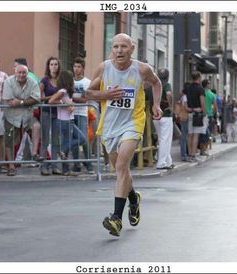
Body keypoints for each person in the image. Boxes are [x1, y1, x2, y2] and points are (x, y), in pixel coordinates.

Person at [85, 33, 163, 237]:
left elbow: (156, 83)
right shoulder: (104, 68)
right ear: (112, 49)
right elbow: (88, 93)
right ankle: (133, 199)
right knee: (121, 170)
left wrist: (155, 105)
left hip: (133, 122)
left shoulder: (142, 69)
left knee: (121, 166)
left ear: (132, 48)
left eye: (123, 47)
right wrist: (106, 95)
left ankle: (116, 219)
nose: (119, 51)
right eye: (116, 47)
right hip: (109, 126)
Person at [2, 64, 41, 176]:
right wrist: (27, 101)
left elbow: (36, 98)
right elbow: (10, 101)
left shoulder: (32, 82)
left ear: (27, 73)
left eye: (24, 72)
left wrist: (20, 102)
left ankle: (34, 153)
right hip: (11, 116)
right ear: (15, 72)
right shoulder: (8, 82)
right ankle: (11, 165)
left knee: (36, 126)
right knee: (9, 141)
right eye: (19, 72)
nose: (22, 75)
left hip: (27, 115)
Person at [13, 58, 43, 163]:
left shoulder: (28, 77)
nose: (14, 68)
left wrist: (20, 102)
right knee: (32, 135)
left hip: (29, 110)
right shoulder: (30, 76)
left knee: (23, 136)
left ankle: (15, 160)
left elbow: (32, 96)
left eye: (15, 66)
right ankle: (41, 156)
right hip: (27, 110)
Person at [39, 56, 62, 176]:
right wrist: (52, 98)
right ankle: (43, 166)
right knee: (45, 140)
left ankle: (54, 165)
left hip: (58, 112)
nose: (54, 67)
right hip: (46, 111)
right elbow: (39, 97)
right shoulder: (45, 80)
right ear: (48, 66)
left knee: (55, 140)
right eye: (51, 64)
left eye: (56, 64)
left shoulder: (60, 80)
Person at [72, 56, 94, 173]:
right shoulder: (69, 80)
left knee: (84, 139)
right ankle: (76, 164)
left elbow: (85, 99)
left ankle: (89, 163)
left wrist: (71, 98)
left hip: (82, 114)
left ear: (83, 68)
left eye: (79, 67)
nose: (76, 69)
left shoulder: (87, 82)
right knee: (74, 139)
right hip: (71, 114)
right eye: (75, 66)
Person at [148, 68, 174, 169]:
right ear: (168, 76)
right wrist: (170, 106)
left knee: (161, 138)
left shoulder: (152, 85)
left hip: (154, 115)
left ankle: (168, 161)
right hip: (165, 114)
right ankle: (161, 163)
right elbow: (169, 94)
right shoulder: (166, 85)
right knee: (165, 140)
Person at [183, 71, 207, 162]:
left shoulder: (188, 88)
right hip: (198, 114)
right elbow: (202, 102)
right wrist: (204, 112)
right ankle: (193, 155)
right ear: (199, 78)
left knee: (190, 135)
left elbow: (182, 96)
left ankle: (189, 154)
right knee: (196, 135)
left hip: (189, 113)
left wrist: (189, 108)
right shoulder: (200, 89)